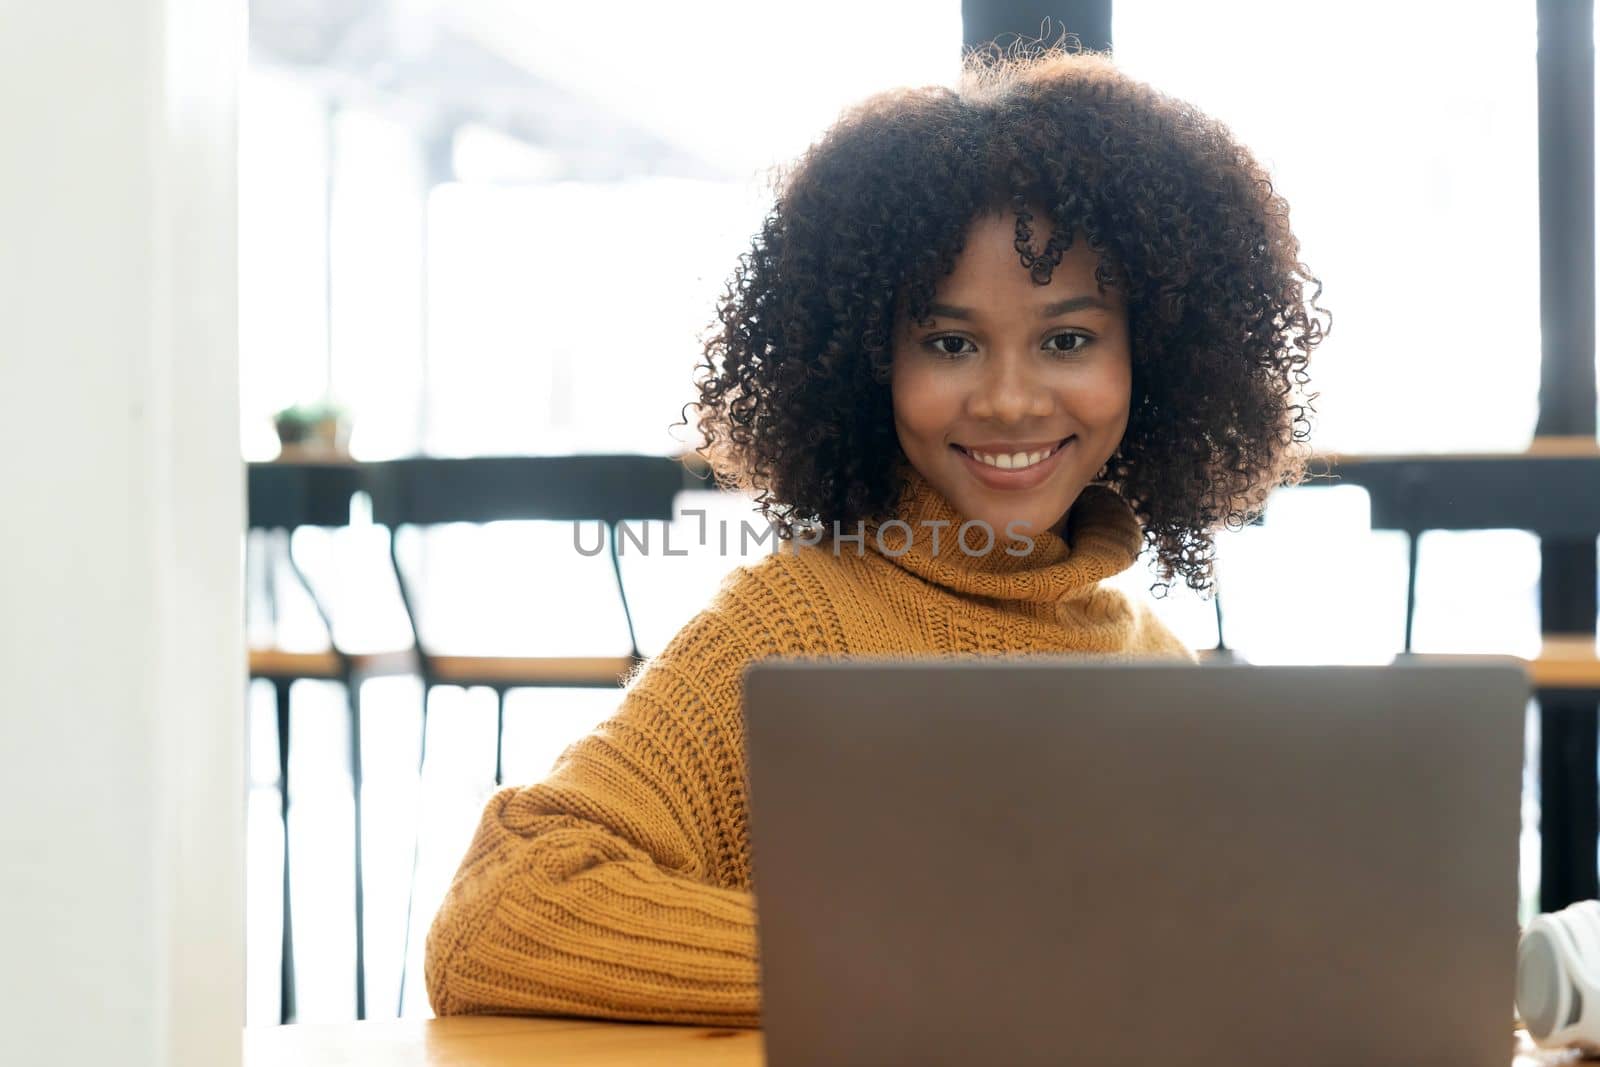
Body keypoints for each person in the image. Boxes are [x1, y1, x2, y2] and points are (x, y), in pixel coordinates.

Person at [424, 45, 1327, 1027]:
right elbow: (498, 911)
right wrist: (909, 970)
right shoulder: (790, 629)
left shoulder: (1153, 661)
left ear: (1151, 357)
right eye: (949, 343)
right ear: (867, 363)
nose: (1011, 398)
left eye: (1067, 338)